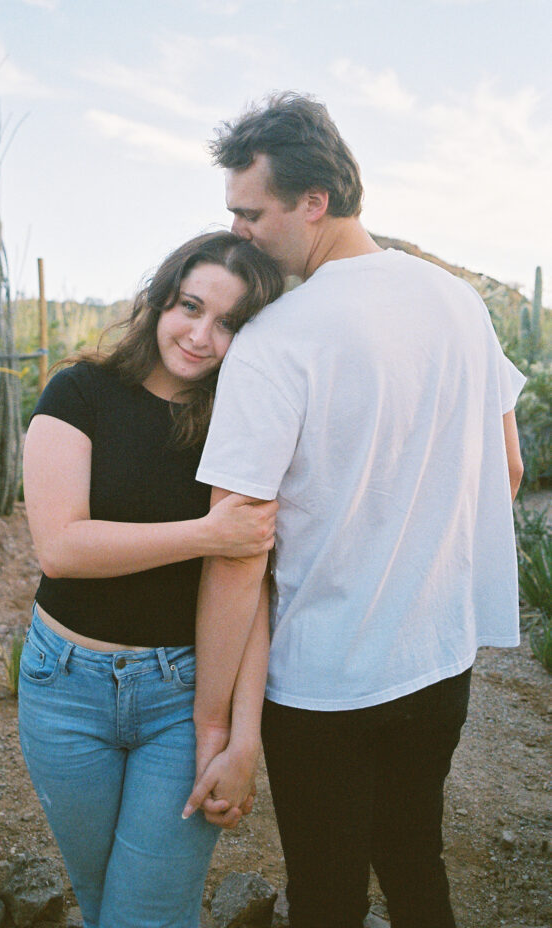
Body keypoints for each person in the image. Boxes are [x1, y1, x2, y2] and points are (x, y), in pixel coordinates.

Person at [183, 94, 526, 928]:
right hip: (438, 660)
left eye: (249, 211)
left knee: (328, 894)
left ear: (315, 202)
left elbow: (238, 546)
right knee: (416, 864)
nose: (237, 231)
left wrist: (216, 723)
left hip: (323, 682)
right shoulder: (458, 303)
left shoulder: (276, 341)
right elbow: (508, 468)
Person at [18, 230, 284, 928]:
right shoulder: (80, 391)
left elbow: (250, 585)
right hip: (63, 689)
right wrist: (205, 535)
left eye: (229, 323)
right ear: (159, 300)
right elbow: (60, 547)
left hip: (184, 698)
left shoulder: (241, 423)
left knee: (148, 914)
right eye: (190, 306)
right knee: (105, 898)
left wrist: (243, 734)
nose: (201, 335)